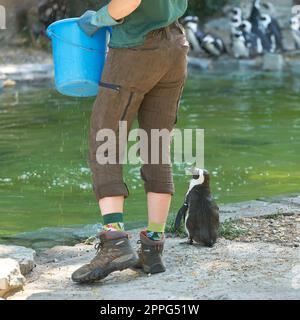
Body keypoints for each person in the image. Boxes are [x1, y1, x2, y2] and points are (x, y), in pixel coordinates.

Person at [71, 0, 189, 283]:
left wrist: (99, 19)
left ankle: (114, 243)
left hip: (135, 51)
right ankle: (153, 247)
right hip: (175, 47)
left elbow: (127, 2)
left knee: (105, 140)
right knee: (157, 144)